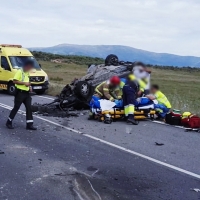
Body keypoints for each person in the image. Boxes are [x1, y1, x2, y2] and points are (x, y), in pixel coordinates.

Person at [6, 60, 37, 130]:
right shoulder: (20, 71)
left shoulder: (27, 72)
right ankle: (9, 122)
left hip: (27, 93)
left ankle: (29, 125)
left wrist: (30, 86)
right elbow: (14, 81)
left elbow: (28, 81)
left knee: (29, 108)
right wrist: (24, 83)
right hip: (20, 93)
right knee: (16, 108)